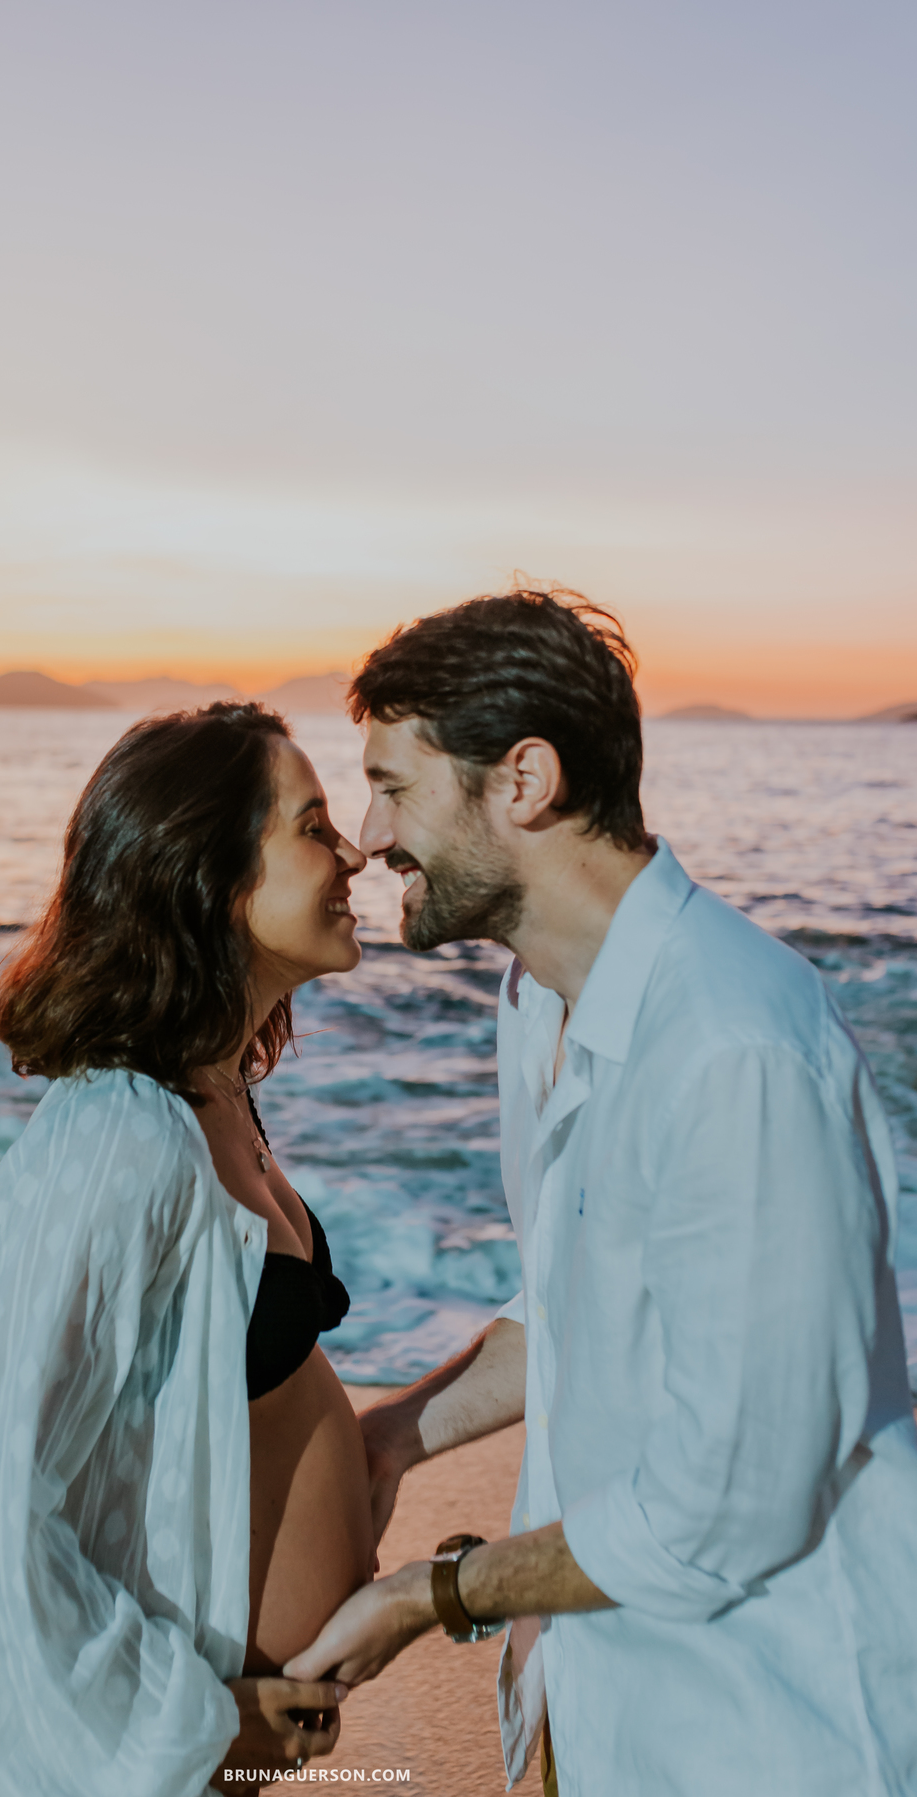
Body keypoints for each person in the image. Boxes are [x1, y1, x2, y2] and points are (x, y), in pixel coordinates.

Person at [286, 590, 917, 1795]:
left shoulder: (735, 1044)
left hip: (772, 1732)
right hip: (606, 1703)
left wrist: (440, 1594)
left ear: (522, 782)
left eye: (395, 786)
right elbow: (574, 1302)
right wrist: (390, 1443)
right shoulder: (538, 1005)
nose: (367, 837)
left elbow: (740, 1496)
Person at [0, 702, 376, 1797]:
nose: (356, 854)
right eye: (313, 826)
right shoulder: (117, 1137)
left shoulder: (220, 1094)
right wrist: (197, 1725)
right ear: (210, 876)